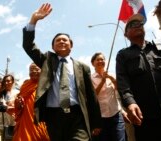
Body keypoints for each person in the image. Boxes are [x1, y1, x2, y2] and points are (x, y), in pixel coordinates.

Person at [22, 3, 102, 141]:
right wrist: (33, 21)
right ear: (53, 46)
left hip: (78, 116)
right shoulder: (47, 60)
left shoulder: (82, 67)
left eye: (65, 40)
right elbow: (28, 46)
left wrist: (96, 122)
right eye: (57, 40)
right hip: (54, 117)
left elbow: (91, 95)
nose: (61, 42)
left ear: (71, 45)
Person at [90, 52, 127, 141]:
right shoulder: (90, 78)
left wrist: (112, 78)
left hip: (116, 115)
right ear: (93, 63)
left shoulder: (112, 75)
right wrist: (102, 82)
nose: (100, 61)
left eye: (102, 59)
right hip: (101, 117)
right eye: (98, 59)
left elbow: (120, 90)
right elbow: (92, 96)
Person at [12, 63, 50, 141]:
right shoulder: (25, 86)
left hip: (41, 124)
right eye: (31, 70)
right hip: (25, 125)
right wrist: (18, 103)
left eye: (36, 69)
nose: (33, 71)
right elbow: (19, 107)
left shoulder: (47, 85)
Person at [0, 74, 19, 141]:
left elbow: (20, 107)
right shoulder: (0, 94)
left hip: (11, 126)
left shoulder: (17, 93)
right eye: (4, 81)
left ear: (12, 82)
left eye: (8, 81)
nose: (6, 83)